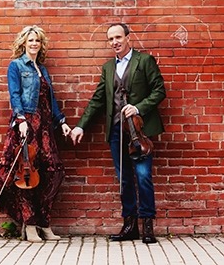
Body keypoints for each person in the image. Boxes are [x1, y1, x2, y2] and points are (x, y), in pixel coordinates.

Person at [71, 23, 166, 244]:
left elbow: (159, 90)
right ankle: (130, 225)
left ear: (127, 38)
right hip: (116, 130)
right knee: (124, 179)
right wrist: (80, 126)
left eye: (118, 37)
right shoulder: (107, 67)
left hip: (138, 130)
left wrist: (138, 107)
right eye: (110, 39)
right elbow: (97, 99)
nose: (114, 42)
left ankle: (147, 225)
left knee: (143, 176)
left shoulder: (144, 61)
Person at [0, 25, 71, 242]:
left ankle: (44, 222)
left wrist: (61, 121)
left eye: (37, 41)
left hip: (44, 127)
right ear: (23, 42)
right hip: (26, 125)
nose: (34, 44)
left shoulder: (42, 69)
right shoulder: (16, 66)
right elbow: (14, 95)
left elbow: (50, 101)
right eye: (30, 40)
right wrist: (21, 119)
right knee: (25, 176)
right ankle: (30, 225)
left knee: (52, 172)